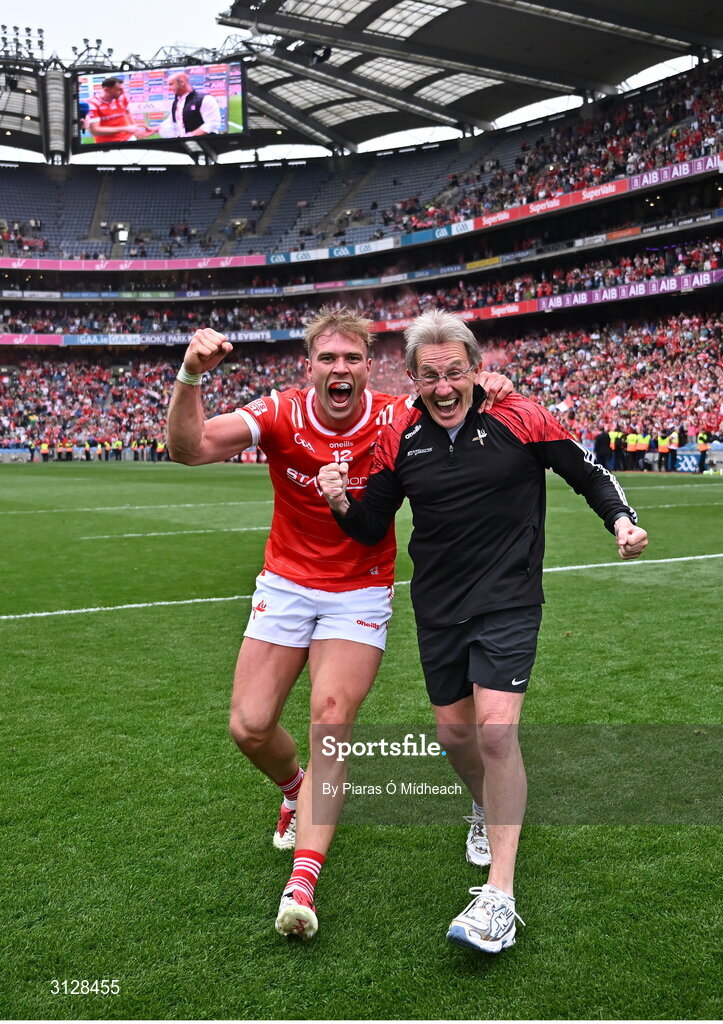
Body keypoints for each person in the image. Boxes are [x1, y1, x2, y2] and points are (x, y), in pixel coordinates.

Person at [166, 309, 513, 941]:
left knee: (330, 717)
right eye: (328, 359)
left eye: (352, 358)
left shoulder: (395, 416)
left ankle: (303, 884)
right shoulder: (277, 413)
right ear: (310, 367)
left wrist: (493, 386)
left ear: (369, 366)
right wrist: (190, 374)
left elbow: (457, 395)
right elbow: (188, 450)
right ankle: (295, 788)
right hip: (286, 583)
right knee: (249, 726)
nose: (340, 369)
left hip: (359, 589)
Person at [318, 309, 648, 955]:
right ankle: (481, 807)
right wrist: (338, 501)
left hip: (508, 596)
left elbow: (587, 473)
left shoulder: (520, 415)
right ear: (410, 377)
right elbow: (368, 527)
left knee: (496, 732)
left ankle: (499, 896)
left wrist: (620, 521)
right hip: (437, 604)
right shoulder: (398, 435)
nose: (443, 387)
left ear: (474, 369)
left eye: (455, 372)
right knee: (455, 734)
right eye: (429, 376)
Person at [86, 77, 151, 144]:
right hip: (107, 144)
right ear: (106, 90)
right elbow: (94, 131)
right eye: (119, 89)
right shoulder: (92, 104)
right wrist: (124, 129)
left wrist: (134, 128)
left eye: (123, 89)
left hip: (128, 138)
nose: (123, 92)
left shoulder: (122, 97)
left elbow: (127, 112)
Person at [157, 72, 222, 139]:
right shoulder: (176, 103)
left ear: (182, 82)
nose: (169, 88)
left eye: (171, 84)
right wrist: (153, 130)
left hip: (207, 144)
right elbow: (172, 122)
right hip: (186, 145)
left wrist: (189, 136)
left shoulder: (205, 99)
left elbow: (212, 124)